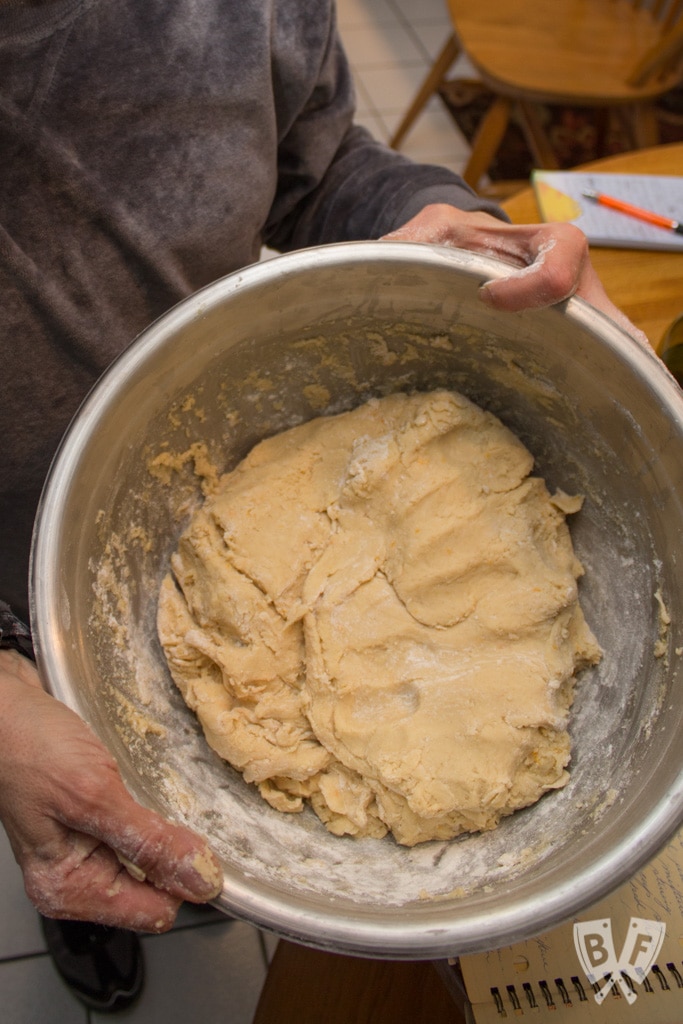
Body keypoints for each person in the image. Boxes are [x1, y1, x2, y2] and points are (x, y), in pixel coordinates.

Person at [0, 0, 644, 1013]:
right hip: (15, 554)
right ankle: (76, 921)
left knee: (112, 805)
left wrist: (445, 218)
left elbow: (317, 160)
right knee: (71, 819)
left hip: (167, 497)